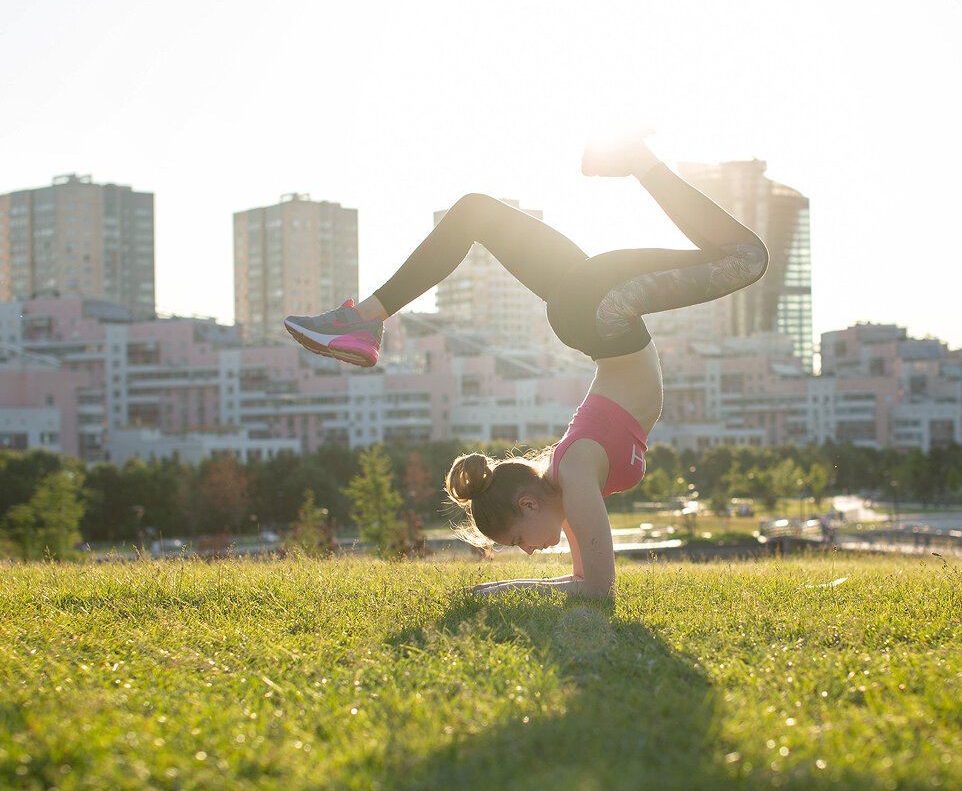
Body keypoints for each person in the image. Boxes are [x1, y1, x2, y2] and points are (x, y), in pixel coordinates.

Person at [284, 131, 768, 597]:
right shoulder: (569, 479)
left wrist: (509, 591)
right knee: (476, 213)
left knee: (748, 258)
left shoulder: (575, 476)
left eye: (517, 541)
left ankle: (364, 321)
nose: (530, 553)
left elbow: (596, 592)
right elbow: (587, 585)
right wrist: (505, 587)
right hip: (592, 313)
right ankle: (363, 320)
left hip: (602, 310)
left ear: (527, 502)